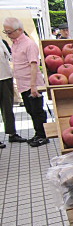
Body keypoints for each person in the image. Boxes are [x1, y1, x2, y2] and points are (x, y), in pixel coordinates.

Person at [3, 17, 48, 147]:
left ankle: (42, 135)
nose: (8, 35)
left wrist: (33, 86)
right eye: (6, 32)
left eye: (10, 32)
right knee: (30, 110)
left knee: (37, 110)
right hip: (23, 84)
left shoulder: (29, 44)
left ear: (20, 30)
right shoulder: (15, 44)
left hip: (31, 83)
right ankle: (37, 133)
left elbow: (34, 65)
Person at [0, 38, 26, 148]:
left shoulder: (2, 41)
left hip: (5, 77)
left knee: (8, 107)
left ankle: (12, 133)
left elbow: (9, 56)